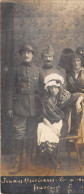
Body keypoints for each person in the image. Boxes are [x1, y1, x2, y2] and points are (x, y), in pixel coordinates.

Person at [37, 75, 83, 175]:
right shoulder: (45, 100)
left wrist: (78, 103)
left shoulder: (65, 96)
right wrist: (52, 128)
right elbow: (42, 117)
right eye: (51, 87)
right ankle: (50, 165)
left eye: (55, 87)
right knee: (42, 129)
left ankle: (50, 167)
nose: (53, 90)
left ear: (59, 87)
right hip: (49, 124)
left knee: (47, 134)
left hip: (62, 125)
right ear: (48, 88)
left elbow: (81, 95)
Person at [7, 44, 42, 174]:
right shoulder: (15, 70)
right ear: (21, 55)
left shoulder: (38, 70)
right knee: (19, 133)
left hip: (34, 106)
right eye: (24, 53)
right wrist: (10, 107)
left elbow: (43, 89)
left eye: (29, 52)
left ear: (33, 55)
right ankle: (18, 162)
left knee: (31, 134)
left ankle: (28, 161)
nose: (26, 55)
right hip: (19, 106)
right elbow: (10, 89)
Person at [67, 53, 84, 166]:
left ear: (81, 62)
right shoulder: (68, 75)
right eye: (74, 61)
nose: (76, 63)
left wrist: (79, 101)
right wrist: (73, 100)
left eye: (78, 61)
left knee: (83, 128)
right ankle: (77, 157)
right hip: (71, 102)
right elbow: (67, 90)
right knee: (73, 128)